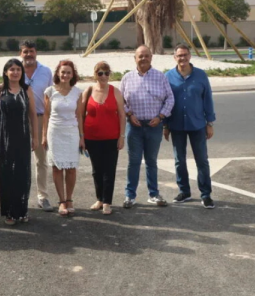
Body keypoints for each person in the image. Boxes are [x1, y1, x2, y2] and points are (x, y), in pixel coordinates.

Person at [120, 45, 174, 209]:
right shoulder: (127, 78)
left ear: (151, 57)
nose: (143, 59)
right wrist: (129, 114)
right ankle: (130, 196)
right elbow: (120, 101)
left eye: (146, 56)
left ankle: (153, 194)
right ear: (134, 58)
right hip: (134, 127)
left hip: (154, 125)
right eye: (140, 56)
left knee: (151, 161)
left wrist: (160, 117)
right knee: (134, 162)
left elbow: (170, 99)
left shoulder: (161, 77)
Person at [164, 44, 216, 209]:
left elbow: (207, 99)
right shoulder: (168, 76)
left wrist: (210, 123)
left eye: (185, 55)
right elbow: (164, 101)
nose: (182, 58)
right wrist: (165, 125)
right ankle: (184, 191)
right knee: (179, 160)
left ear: (190, 56)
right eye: (179, 55)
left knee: (202, 160)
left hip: (198, 124)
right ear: (175, 57)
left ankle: (206, 194)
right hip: (176, 125)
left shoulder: (200, 75)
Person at [0, 59, 37, 225]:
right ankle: (9, 212)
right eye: (12, 69)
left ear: (22, 73)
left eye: (18, 69)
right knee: (7, 173)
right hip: (4, 138)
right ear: (6, 72)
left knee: (23, 174)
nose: (15, 72)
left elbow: (32, 116)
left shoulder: (27, 90)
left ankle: (22, 211)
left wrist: (35, 137)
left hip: (22, 137)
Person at [79, 61, 126, 215]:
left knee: (109, 170)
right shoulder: (88, 90)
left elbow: (122, 115)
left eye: (106, 73)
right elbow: (80, 114)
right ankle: (99, 198)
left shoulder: (115, 91)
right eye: (100, 73)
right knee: (96, 170)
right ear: (95, 75)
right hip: (92, 138)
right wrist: (82, 136)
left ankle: (107, 202)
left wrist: (121, 136)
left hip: (111, 137)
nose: (104, 76)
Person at [42, 60, 84, 217]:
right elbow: (46, 115)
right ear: (58, 73)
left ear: (73, 75)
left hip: (72, 132)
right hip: (55, 132)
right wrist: (44, 135)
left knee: (71, 168)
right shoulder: (50, 91)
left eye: (68, 72)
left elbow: (79, 116)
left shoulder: (77, 92)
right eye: (63, 72)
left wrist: (82, 136)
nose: (65, 75)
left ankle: (69, 199)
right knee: (57, 167)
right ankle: (61, 201)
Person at [20, 41, 55, 212]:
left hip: (41, 120)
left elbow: (52, 96)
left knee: (41, 160)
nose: (28, 55)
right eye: (25, 52)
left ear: (36, 53)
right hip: (20, 120)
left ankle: (43, 196)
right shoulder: (15, 70)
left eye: (31, 51)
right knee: (20, 160)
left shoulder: (46, 71)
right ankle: (21, 196)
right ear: (21, 54)